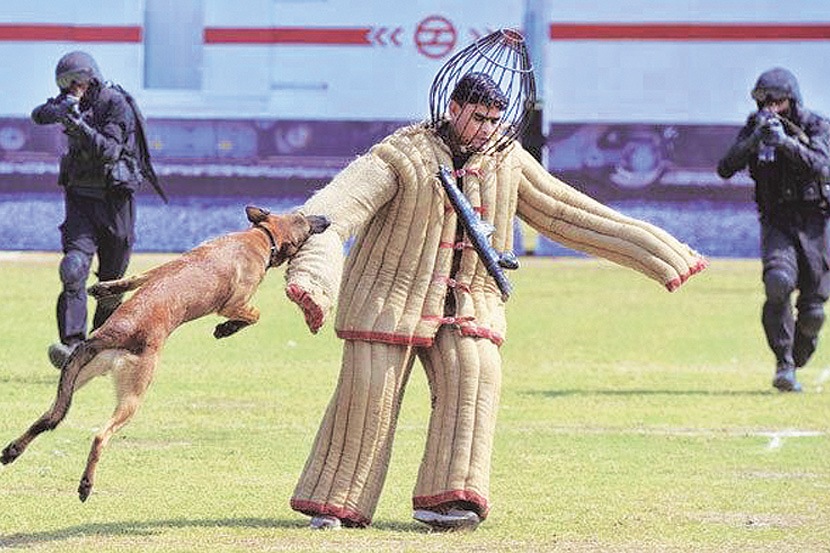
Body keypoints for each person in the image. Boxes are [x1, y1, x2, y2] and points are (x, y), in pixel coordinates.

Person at [283, 29, 706, 531]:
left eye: (494, 120)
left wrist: (661, 253)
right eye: (478, 117)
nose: (486, 128)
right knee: (367, 396)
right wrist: (314, 278)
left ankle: (447, 500)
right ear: (454, 106)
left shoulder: (509, 160)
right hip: (387, 300)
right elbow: (332, 214)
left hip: (469, 305)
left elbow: (570, 214)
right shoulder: (400, 155)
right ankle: (334, 503)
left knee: (475, 379)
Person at [32, 51, 158, 369]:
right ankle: (72, 345)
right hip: (81, 199)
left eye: (77, 81)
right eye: (66, 83)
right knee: (73, 268)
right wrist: (60, 111)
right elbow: (39, 114)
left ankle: (100, 346)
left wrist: (80, 127)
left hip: (115, 201)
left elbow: (111, 151)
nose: (73, 87)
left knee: (111, 284)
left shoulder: (114, 103)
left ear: (92, 78)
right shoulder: (70, 103)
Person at [717, 67, 830, 393]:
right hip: (777, 221)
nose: (770, 108)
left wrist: (785, 144)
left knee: (812, 312)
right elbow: (725, 168)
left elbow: (821, 164)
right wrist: (754, 141)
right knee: (778, 283)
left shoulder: (815, 125)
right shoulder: (756, 128)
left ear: (791, 101)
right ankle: (783, 363)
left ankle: (798, 354)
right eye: (764, 102)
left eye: (777, 102)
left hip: (814, 223)